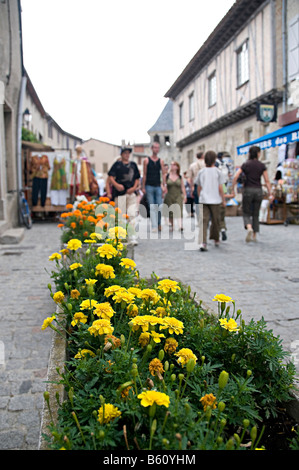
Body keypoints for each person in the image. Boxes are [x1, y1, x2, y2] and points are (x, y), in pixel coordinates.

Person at [232, 145, 273, 243]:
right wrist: (270, 193)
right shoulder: (261, 165)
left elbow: (236, 176)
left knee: (246, 211)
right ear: (258, 154)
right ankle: (254, 234)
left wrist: (232, 188)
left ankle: (249, 227)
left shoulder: (246, 164)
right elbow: (267, 180)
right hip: (258, 190)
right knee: (256, 213)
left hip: (248, 190)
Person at [107, 147, 140, 245]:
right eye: (125, 153)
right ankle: (121, 236)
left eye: (128, 153)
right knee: (120, 216)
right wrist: (116, 185)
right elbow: (110, 176)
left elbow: (137, 178)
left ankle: (132, 236)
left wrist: (134, 188)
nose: (126, 155)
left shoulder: (133, 165)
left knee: (132, 214)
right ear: (121, 154)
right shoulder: (117, 165)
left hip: (131, 193)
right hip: (120, 193)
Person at [195, 150, 226, 251]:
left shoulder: (201, 172)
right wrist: (223, 199)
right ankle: (216, 238)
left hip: (204, 199)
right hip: (216, 200)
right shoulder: (218, 172)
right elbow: (220, 188)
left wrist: (200, 196)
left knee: (204, 221)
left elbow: (198, 187)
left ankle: (203, 242)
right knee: (215, 220)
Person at [142, 142, 167, 232]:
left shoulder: (161, 161)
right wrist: (143, 187)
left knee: (159, 206)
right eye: (155, 148)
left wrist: (164, 185)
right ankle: (154, 225)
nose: (156, 149)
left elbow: (163, 174)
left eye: (158, 148)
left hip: (158, 186)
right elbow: (144, 174)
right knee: (152, 206)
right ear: (151, 149)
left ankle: (159, 223)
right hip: (149, 186)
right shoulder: (146, 160)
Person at [163, 162, 187, 231]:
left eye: (174, 165)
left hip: (178, 195)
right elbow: (163, 184)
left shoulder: (180, 176)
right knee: (170, 211)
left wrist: (185, 196)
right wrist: (163, 189)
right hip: (169, 195)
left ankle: (180, 226)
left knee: (179, 209)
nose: (172, 166)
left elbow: (182, 187)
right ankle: (172, 225)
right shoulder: (166, 176)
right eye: (171, 164)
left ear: (177, 167)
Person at [215, 152, 230, 241]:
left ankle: (216, 233)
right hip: (223, 187)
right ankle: (223, 229)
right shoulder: (225, 164)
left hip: (214, 194)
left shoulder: (216, 164)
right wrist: (224, 200)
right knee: (221, 215)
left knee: (214, 216)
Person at [188, 152, 205, 222]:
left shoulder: (192, 165)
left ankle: (199, 220)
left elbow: (189, 178)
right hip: (205, 185)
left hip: (196, 185)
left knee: (197, 203)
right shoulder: (206, 163)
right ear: (203, 156)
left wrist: (191, 187)